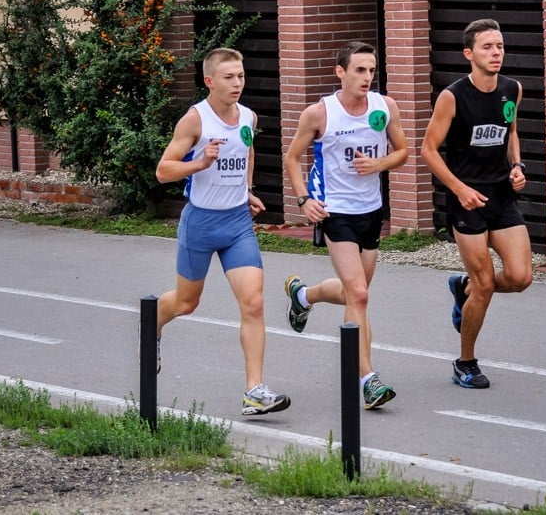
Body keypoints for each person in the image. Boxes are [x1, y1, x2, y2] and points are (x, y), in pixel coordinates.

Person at [151, 47, 290, 416]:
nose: (237, 83)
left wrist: (246, 189)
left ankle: (254, 391)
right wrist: (200, 162)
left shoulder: (249, 116)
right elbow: (163, 171)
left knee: (255, 303)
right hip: (200, 223)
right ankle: (152, 324)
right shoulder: (194, 121)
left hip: (237, 225)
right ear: (209, 81)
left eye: (241, 76)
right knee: (186, 303)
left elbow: (247, 150)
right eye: (229, 77)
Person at [282, 41, 409, 410]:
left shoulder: (385, 109)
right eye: (359, 70)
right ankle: (367, 380)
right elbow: (292, 159)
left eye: (371, 70)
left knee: (356, 293)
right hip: (334, 212)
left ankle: (303, 296)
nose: (367, 77)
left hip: (370, 211)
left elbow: (401, 151)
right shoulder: (320, 113)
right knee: (360, 295)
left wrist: (379, 165)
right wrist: (305, 200)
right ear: (341, 72)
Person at [421, 18, 533, 390]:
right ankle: (465, 362)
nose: (496, 52)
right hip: (466, 201)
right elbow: (428, 150)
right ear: (469, 54)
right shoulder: (453, 96)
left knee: (520, 277)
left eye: (499, 46)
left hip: (501, 196)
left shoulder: (512, 89)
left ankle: (462, 289)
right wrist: (458, 188)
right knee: (485, 284)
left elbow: (511, 132)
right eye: (487, 47)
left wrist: (517, 166)